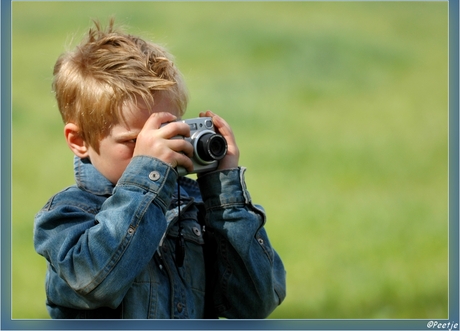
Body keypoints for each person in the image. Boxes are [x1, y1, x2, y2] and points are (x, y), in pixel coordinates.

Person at [33, 19, 286, 319]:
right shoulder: (66, 217)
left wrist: (224, 195)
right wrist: (147, 175)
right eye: (136, 141)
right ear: (79, 141)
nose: (156, 150)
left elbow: (255, 304)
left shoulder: (197, 210)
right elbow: (95, 281)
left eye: (166, 133)